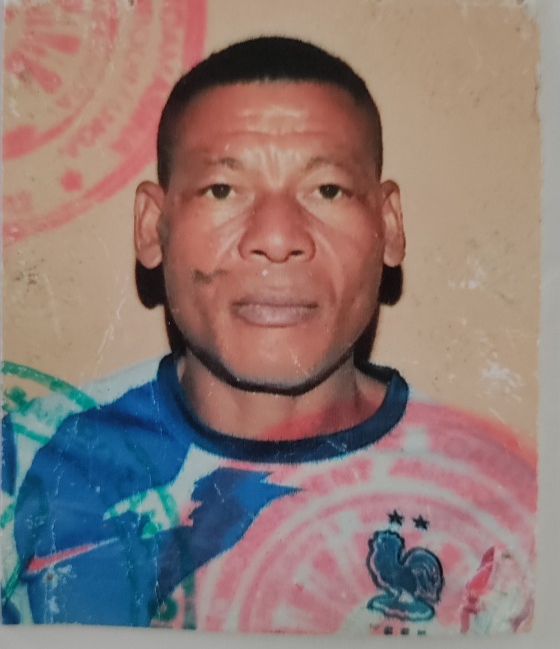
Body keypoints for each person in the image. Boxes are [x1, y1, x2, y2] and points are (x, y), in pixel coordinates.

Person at [1, 37, 536, 634]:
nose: (277, 238)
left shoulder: (510, 513)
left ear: (388, 226)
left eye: (327, 190)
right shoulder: (27, 468)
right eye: (222, 190)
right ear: (153, 227)